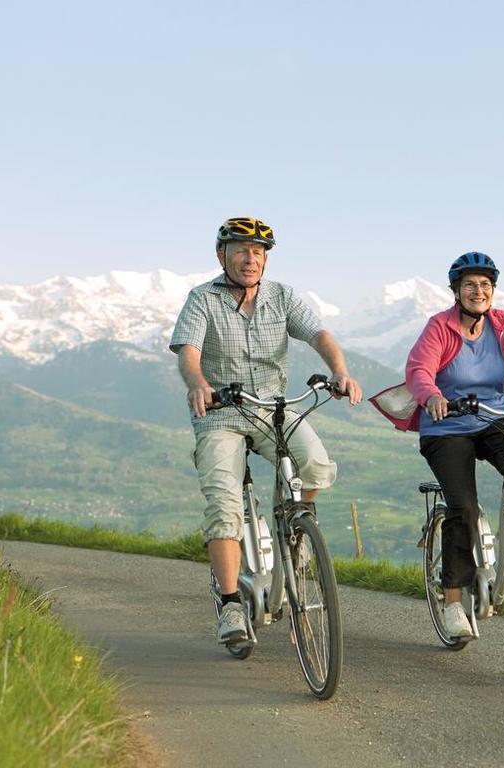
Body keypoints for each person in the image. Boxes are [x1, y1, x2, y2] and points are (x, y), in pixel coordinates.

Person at [371, 252, 504, 638]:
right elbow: (419, 369)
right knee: (463, 509)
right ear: (456, 290)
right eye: (470, 284)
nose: (478, 291)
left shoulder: (503, 326)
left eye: (485, 285)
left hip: (493, 419)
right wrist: (432, 396)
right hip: (446, 427)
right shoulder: (440, 326)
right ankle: (454, 601)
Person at [170, 216, 362, 646]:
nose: (250, 258)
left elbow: (320, 334)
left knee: (315, 464)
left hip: (273, 409)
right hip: (221, 414)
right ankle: (230, 603)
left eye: (258, 252)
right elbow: (189, 351)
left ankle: (296, 536)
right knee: (224, 506)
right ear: (222, 256)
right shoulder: (202, 299)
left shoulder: (282, 297)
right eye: (240, 250)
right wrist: (199, 384)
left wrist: (340, 371)